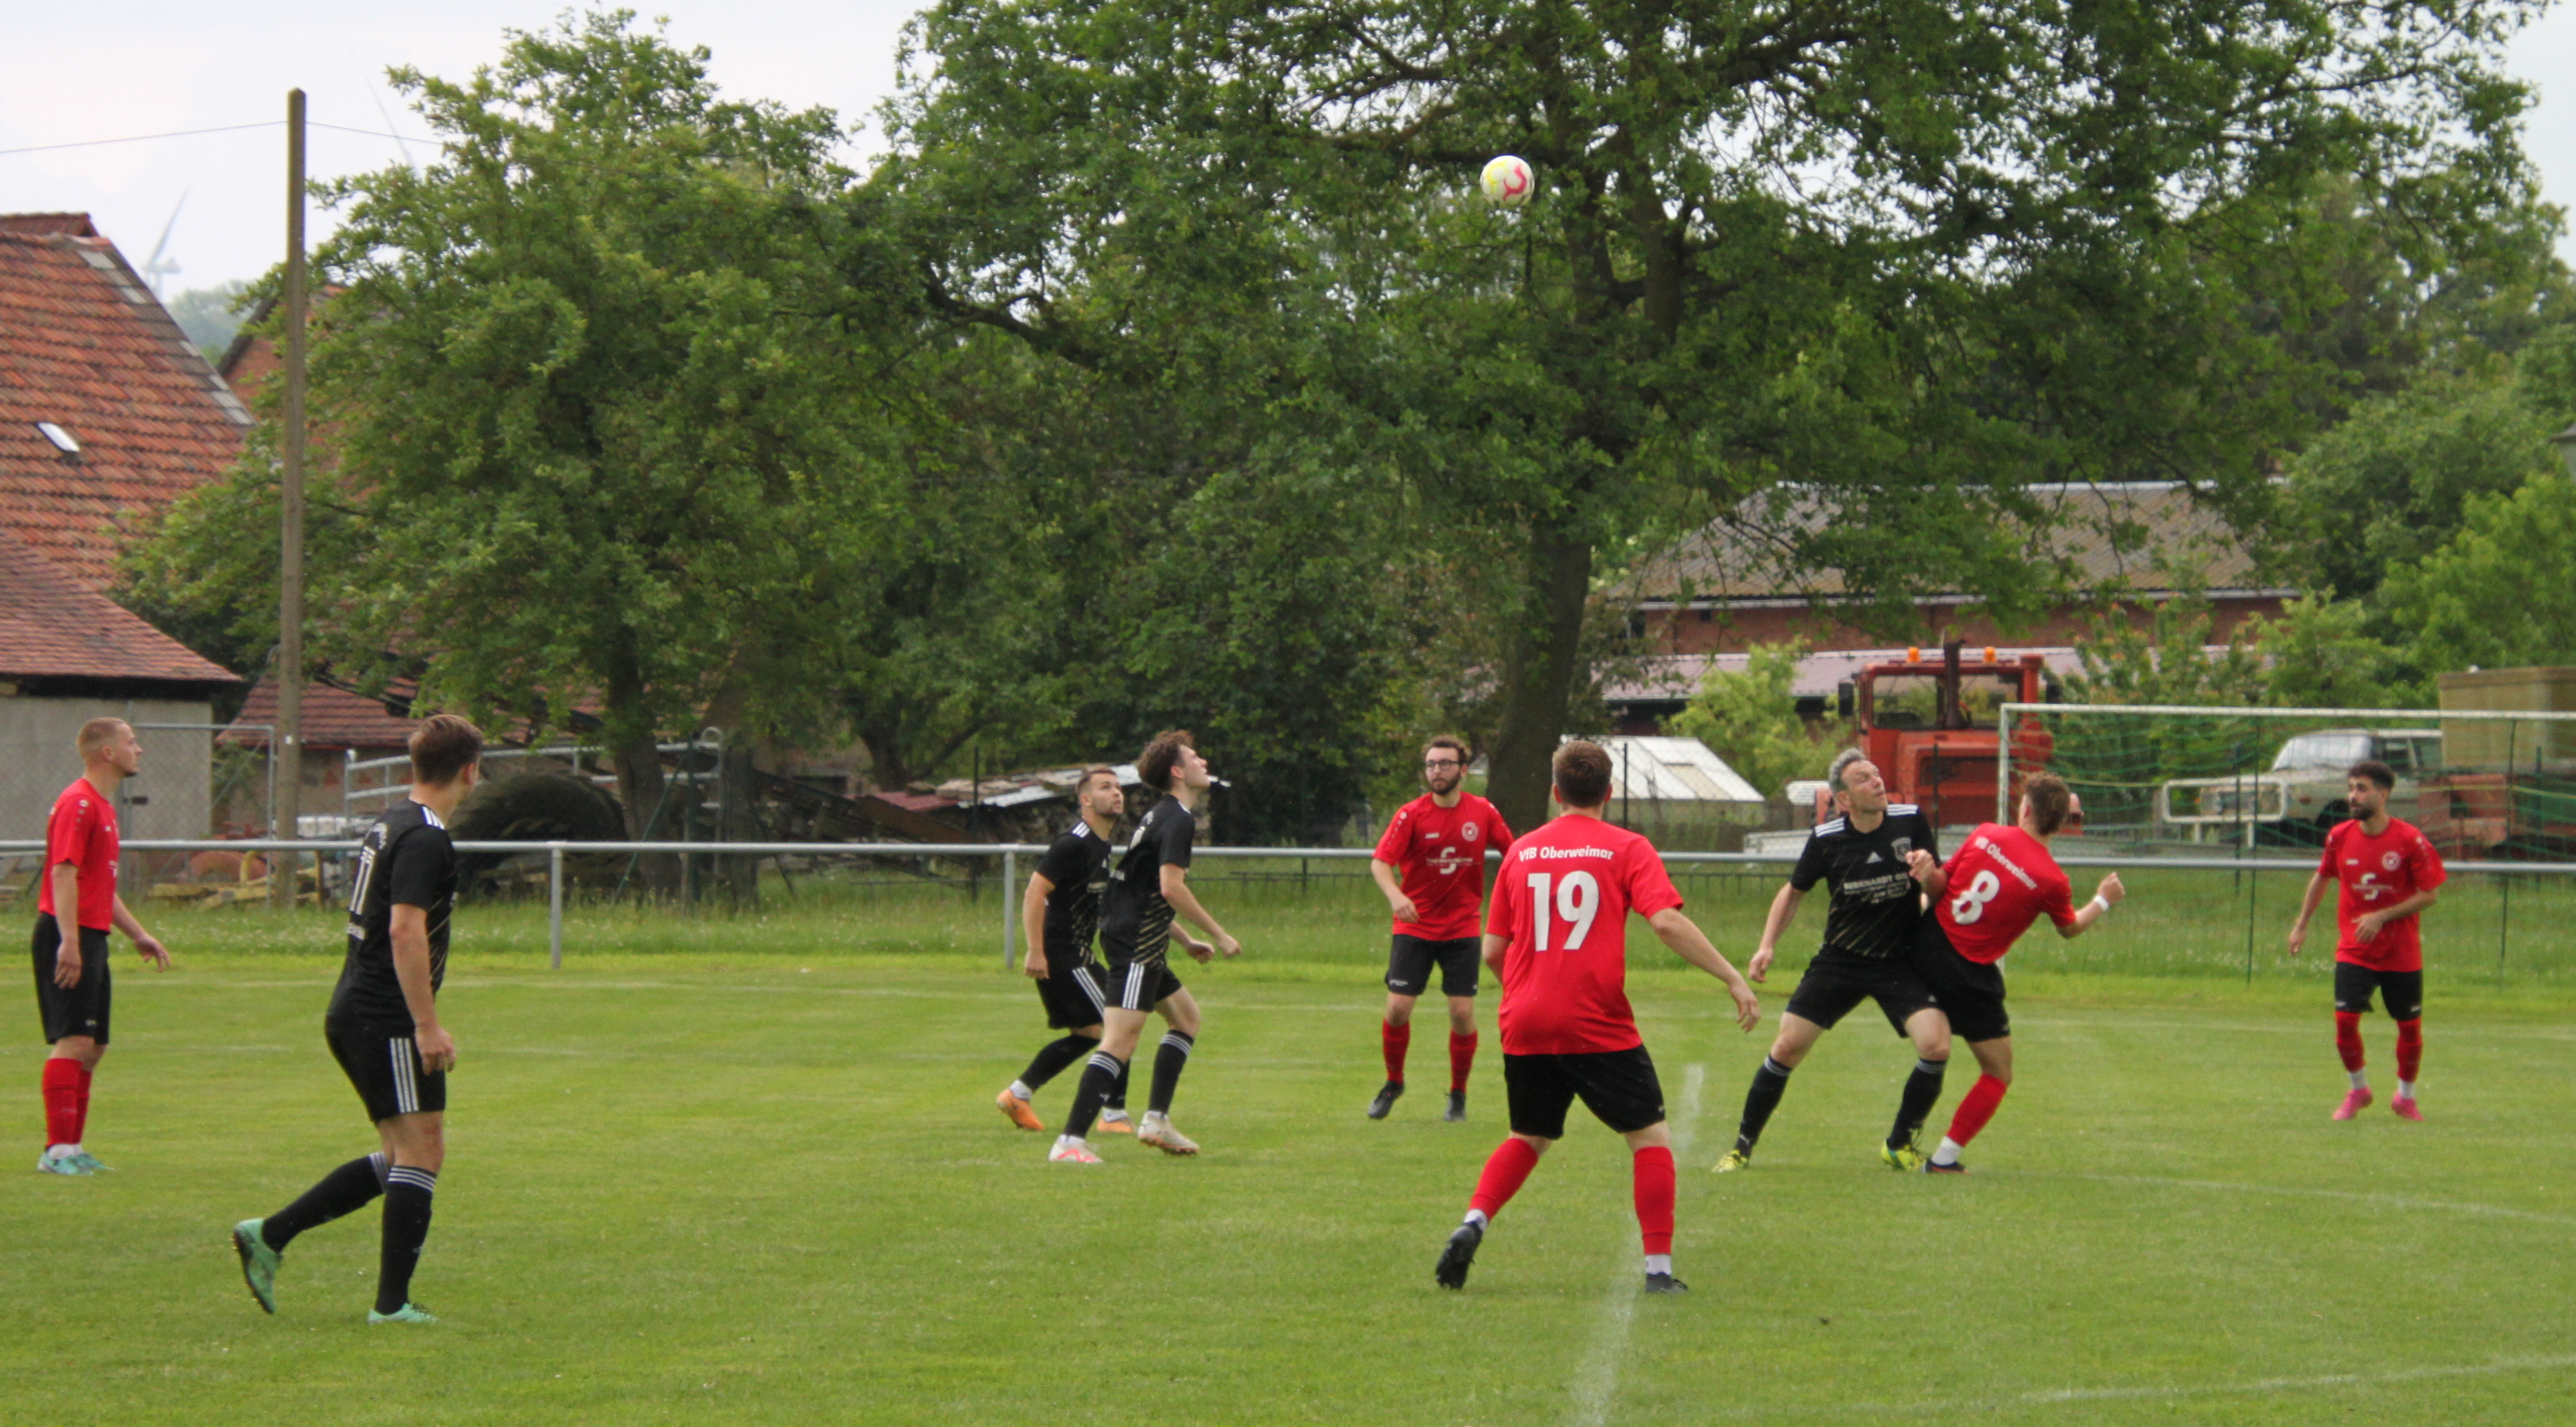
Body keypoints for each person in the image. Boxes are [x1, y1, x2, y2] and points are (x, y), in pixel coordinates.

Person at [1431, 740, 1761, 1293]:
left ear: (1556, 792)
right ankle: (1658, 1271)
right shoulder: (1627, 847)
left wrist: (1526, 991)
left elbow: (1492, 949)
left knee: (1528, 1136)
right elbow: (1666, 924)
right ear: (1609, 793)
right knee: (1650, 1138)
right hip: (1595, 1021)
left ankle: (1472, 1223)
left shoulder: (1523, 851)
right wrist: (1731, 976)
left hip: (1526, 1019)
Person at [232, 714, 481, 1323]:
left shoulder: (391, 820)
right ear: (470, 770)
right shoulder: (424, 836)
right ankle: (391, 1307)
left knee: (407, 1153)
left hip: (357, 1008)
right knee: (421, 1151)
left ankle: (270, 1234)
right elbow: (403, 928)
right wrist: (426, 1024)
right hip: (385, 1014)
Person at [1714, 750, 1951, 1174]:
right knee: (1786, 1048)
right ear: (1845, 800)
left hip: (1898, 961)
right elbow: (1793, 892)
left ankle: (1899, 1144)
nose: (1877, 782)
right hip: (1840, 961)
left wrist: (1930, 873)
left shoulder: (1909, 820)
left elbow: (1938, 890)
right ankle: (1741, 1149)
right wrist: (1767, 945)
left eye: (1877, 774)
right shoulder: (1827, 839)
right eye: (1863, 779)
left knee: (1936, 1045)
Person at [1906, 774, 2123, 1173]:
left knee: (1931, 1044)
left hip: (1927, 944)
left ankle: (1904, 1135)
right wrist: (2103, 901)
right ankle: (1943, 1160)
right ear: (2060, 824)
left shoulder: (1987, 833)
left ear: (2024, 809)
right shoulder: (2052, 880)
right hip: (1968, 974)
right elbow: (2070, 929)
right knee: (1998, 1072)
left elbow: (1941, 885)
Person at [1048, 731, 1242, 1163]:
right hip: (1135, 942)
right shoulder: (1178, 819)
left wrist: (1186, 940)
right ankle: (1069, 1142)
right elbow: (1171, 888)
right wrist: (1218, 934)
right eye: (1195, 758)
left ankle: (1156, 1119)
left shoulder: (1163, 815)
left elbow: (1141, 890)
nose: (1203, 763)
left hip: (1141, 935)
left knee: (1186, 1019)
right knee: (1118, 1042)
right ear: (1178, 771)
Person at [997, 767, 1209, 1133]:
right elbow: (1034, 892)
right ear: (1085, 800)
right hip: (1063, 954)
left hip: (1078, 953)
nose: (1116, 793)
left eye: (1118, 787)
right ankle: (1112, 1114)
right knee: (1115, 1026)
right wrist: (1035, 950)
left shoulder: (1102, 847)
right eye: (1105, 787)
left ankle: (1019, 1094)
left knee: (1091, 1033)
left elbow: (1127, 904)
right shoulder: (1074, 843)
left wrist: (1185, 940)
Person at [30, 718, 172, 1175]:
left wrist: (138, 934)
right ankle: (57, 1151)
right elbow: (62, 873)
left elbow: (97, 884)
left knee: (92, 1047)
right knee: (73, 1041)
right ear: (107, 753)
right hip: (66, 933)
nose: (140, 750)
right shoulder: (78, 803)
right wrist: (69, 941)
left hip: (90, 933)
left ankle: (73, 1148)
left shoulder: (103, 806)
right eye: (132, 743)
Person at [2287, 759, 2444, 1122]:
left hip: (2401, 952)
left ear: (2383, 794)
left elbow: (2430, 894)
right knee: (2345, 1020)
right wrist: (2301, 924)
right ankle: (2358, 1089)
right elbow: (2323, 877)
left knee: (2408, 1028)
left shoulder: (2409, 840)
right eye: (2351, 788)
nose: (2352, 796)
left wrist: (2381, 916)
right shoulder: (2339, 836)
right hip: (2355, 949)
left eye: (2361, 789)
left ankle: (2406, 1097)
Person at [1367, 736, 1513, 1122]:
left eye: (1445, 764)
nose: (1437, 771)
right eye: (1431, 764)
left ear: (1463, 770)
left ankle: (1458, 1095)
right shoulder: (1410, 814)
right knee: (1397, 1009)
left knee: (1462, 1014)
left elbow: (1512, 854)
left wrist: (1518, 897)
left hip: (1462, 928)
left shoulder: (1482, 811)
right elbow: (1381, 863)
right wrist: (1397, 896)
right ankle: (1393, 1082)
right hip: (1414, 927)